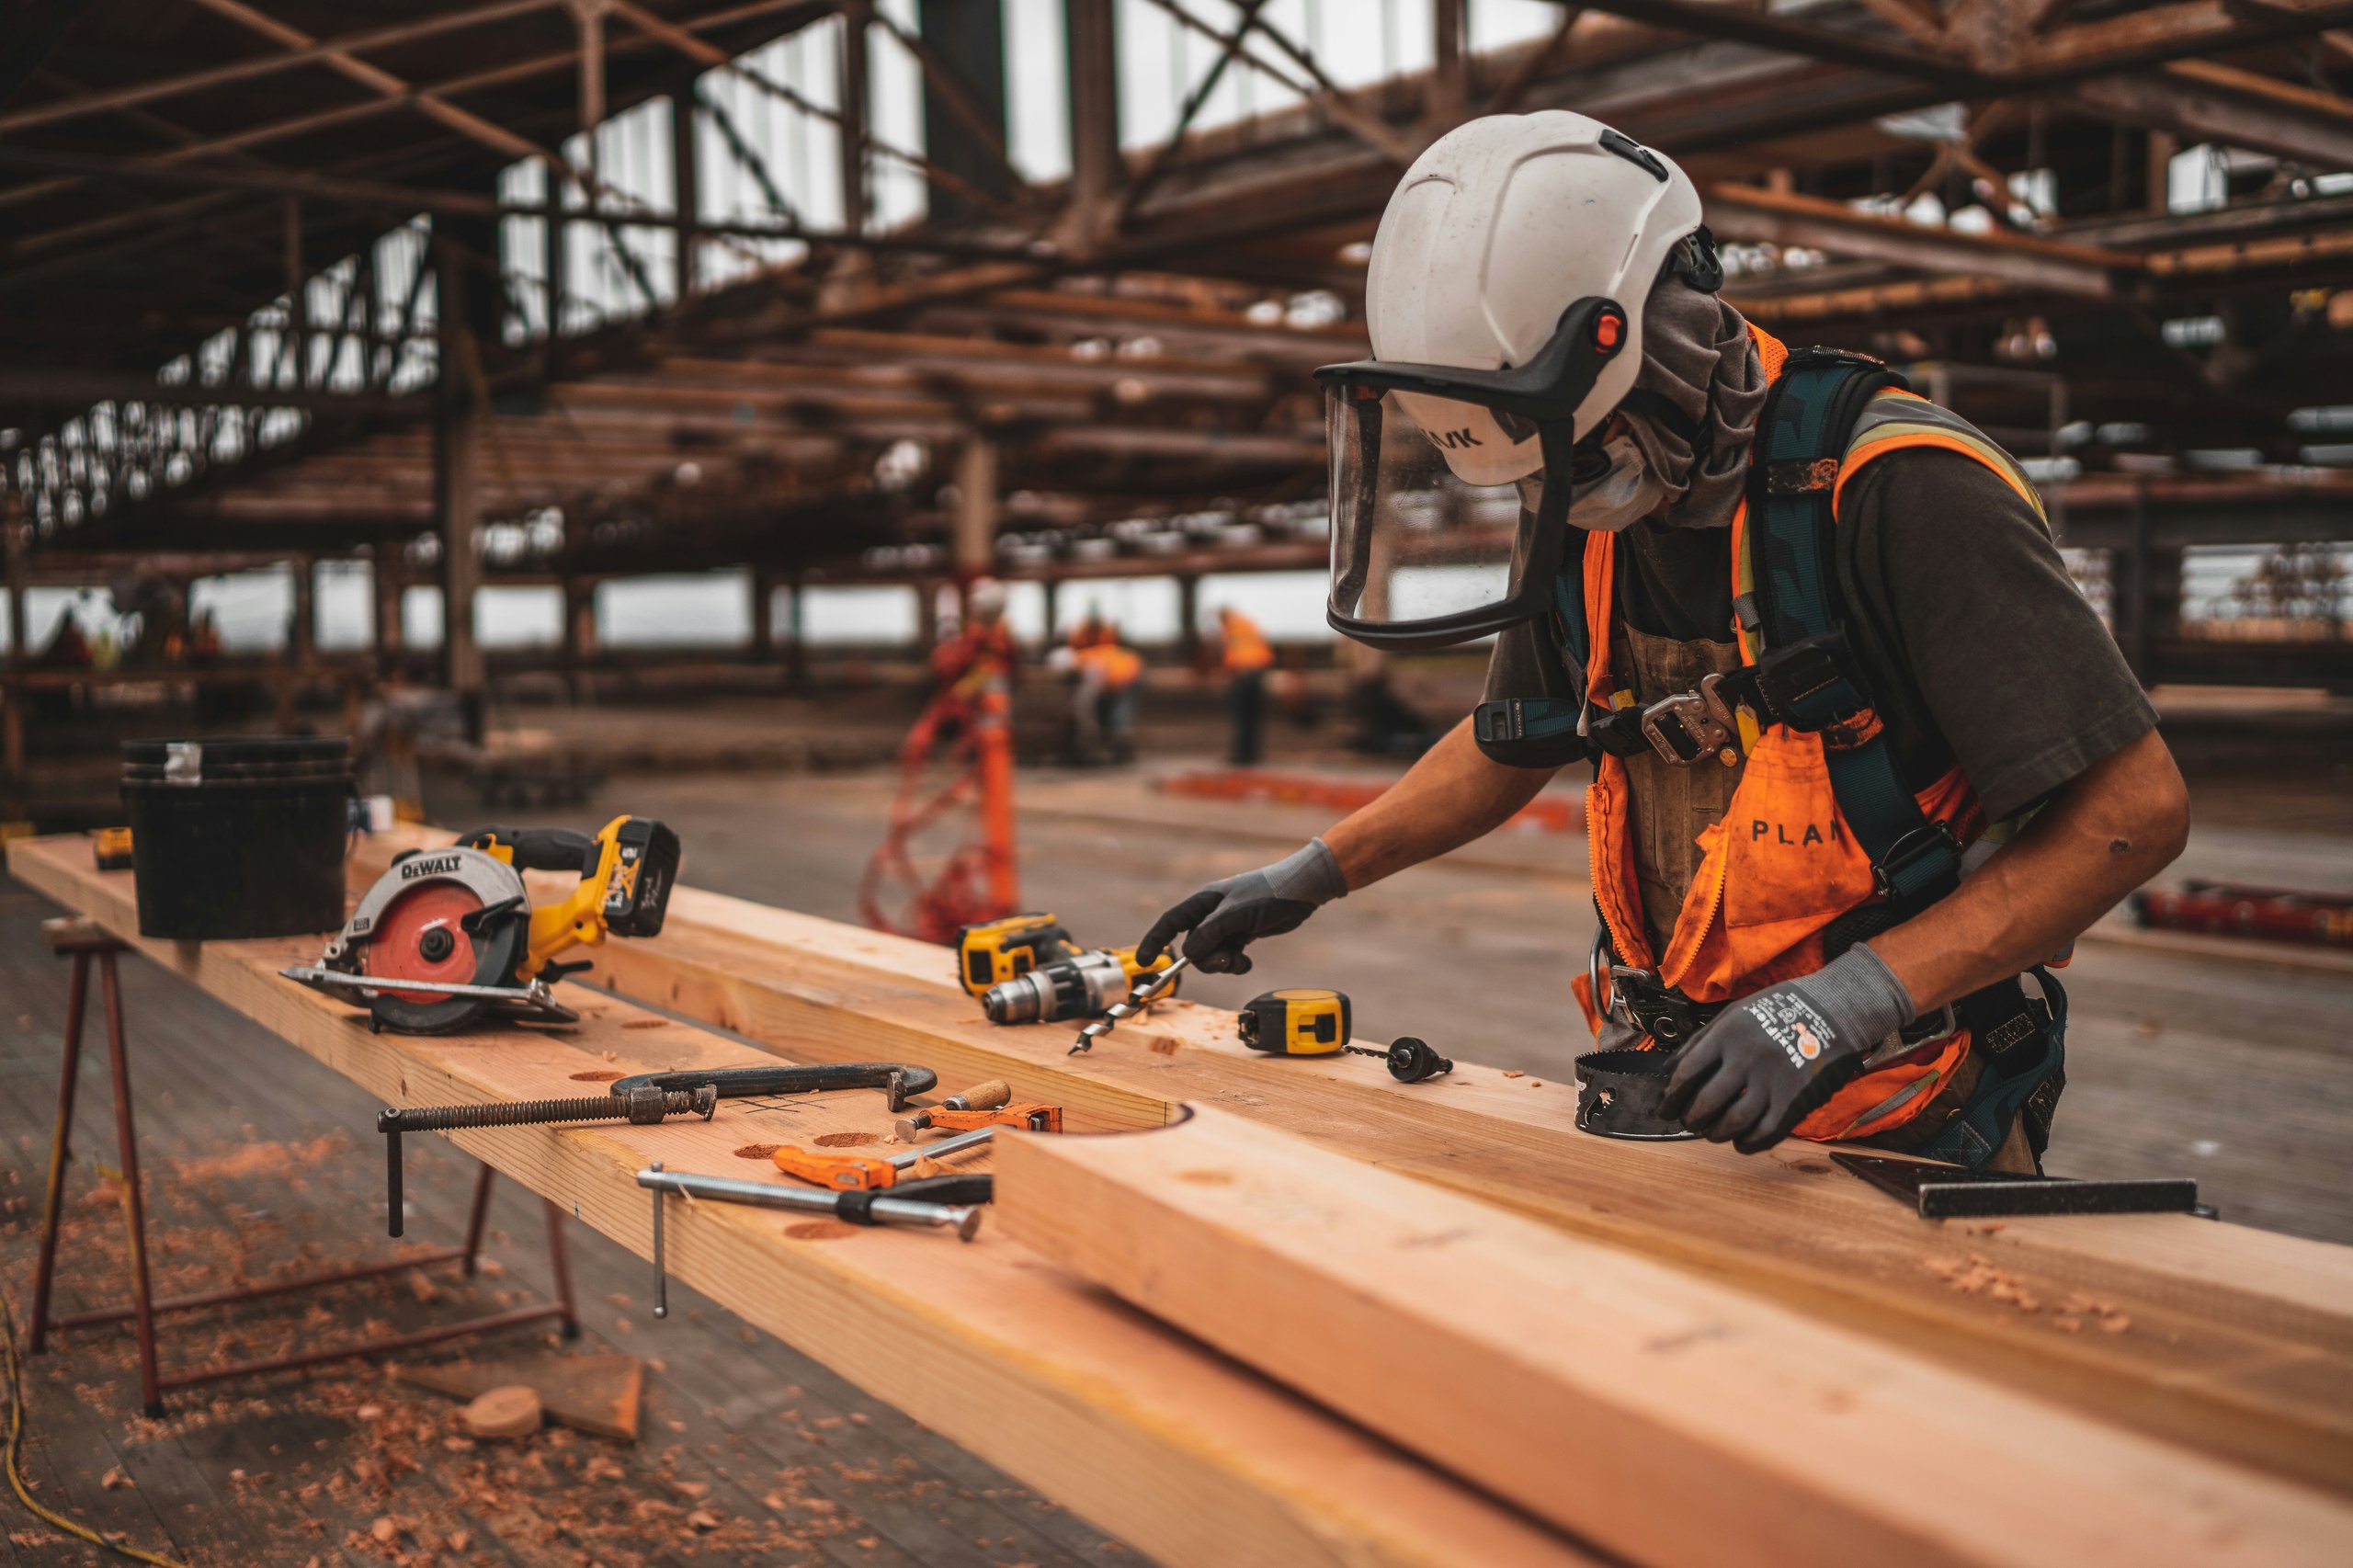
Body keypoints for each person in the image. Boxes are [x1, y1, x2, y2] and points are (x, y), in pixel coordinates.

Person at [1138, 111, 2187, 1173]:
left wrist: (1845, 1002)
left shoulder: (1898, 487)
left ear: (1661, 339)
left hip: (1907, 1103)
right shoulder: (1576, 503)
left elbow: (2132, 814)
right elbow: (1515, 738)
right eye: (1545, 468)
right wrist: (1312, 871)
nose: (1566, 491)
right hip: (1670, 1085)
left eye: (1584, 451)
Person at [1215, 605, 1275, 767]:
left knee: (1241, 715)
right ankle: (1252, 754)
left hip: (1243, 672)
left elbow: (1231, 651)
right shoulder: (1248, 623)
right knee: (1253, 715)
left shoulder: (1230, 628)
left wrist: (1229, 671)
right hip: (1258, 670)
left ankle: (1241, 756)